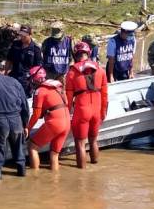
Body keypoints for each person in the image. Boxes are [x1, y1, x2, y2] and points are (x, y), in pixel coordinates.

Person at [66, 41, 108, 169]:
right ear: (88, 53)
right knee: (94, 140)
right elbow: (105, 95)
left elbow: (68, 97)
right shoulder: (100, 70)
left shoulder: (72, 73)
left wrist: (67, 113)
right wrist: (103, 112)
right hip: (96, 109)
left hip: (82, 110)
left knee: (80, 143)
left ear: (75, 54)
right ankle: (95, 163)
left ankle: (82, 174)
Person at [25, 65, 70, 171]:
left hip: (55, 123)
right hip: (67, 121)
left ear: (36, 78)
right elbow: (66, 102)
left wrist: (28, 128)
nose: (31, 81)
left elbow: (36, 114)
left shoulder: (39, 91)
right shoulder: (56, 86)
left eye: (32, 78)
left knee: (32, 146)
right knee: (54, 154)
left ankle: (34, 177)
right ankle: (54, 181)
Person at [6, 25, 43, 96]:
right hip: (14, 77)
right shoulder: (15, 44)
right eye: (21, 35)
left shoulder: (36, 49)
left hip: (27, 80)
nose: (22, 37)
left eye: (24, 36)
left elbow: (38, 68)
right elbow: (9, 59)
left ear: (30, 35)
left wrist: (33, 82)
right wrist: (5, 73)